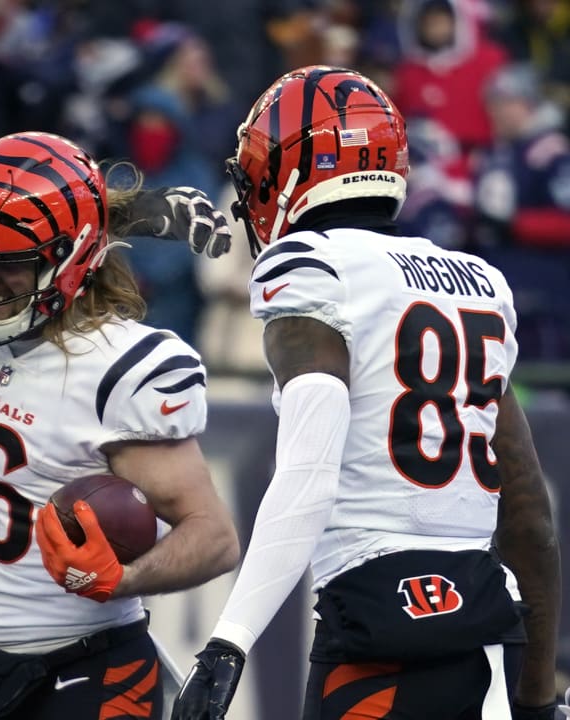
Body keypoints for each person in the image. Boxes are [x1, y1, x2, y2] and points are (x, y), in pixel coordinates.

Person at [171, 65, 562, 720]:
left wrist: (227, 642)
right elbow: (527, 514)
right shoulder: (480, 282)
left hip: (377, 633)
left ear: (294, 170)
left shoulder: (311, 268)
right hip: (481, 639)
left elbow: (309, 474)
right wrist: (538, 696)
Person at [0, 130, 241, 719]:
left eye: (7, 263)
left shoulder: (120, 367)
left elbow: (214, 537)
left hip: (91, 664)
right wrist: (114, 213)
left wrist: (123, 578)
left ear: (72, 257)